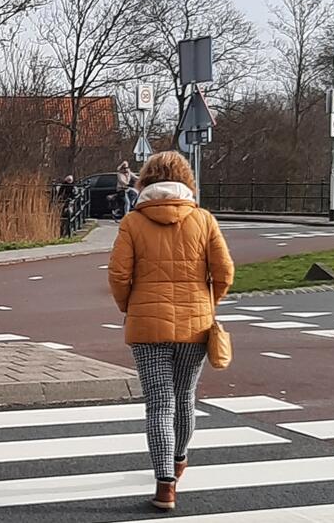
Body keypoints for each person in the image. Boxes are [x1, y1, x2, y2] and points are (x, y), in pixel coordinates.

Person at [107, 151, 234, 512]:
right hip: (195, 324)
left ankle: (165, 486)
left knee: (159, 404)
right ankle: (179, 461)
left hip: (147, 326)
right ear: (186, 180)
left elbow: (118, 276)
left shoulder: (133, 223)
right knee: (185, 398)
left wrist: (129, 306)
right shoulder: (203, 220)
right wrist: (210, 303)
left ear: (145, 181)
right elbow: (224, 271)